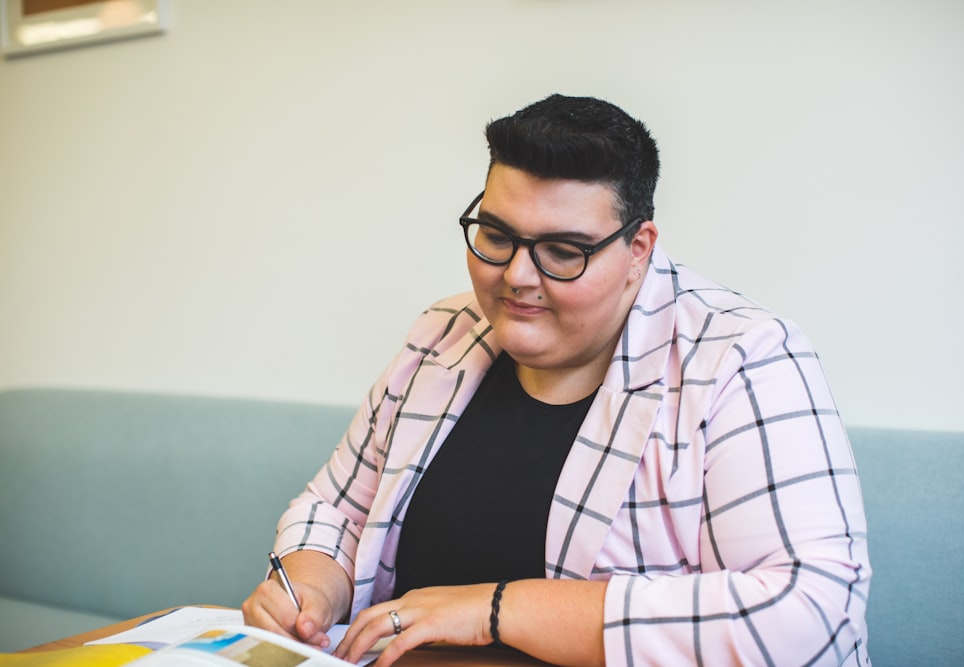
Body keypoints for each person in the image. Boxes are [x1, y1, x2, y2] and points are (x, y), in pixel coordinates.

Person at [242, 94, 871, 667]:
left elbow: (811, 615)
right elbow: (338, 510)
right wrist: (310, 588)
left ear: (639, 249)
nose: (517, 275)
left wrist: (495, 610)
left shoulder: (742, 358)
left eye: (563, 251)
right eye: (496, 235)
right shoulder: (442, 335)